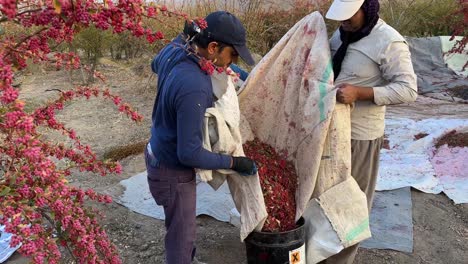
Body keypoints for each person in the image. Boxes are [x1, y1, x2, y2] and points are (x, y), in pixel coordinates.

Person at [147, 11, 258, 264]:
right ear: (213, 47)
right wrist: (233, 163)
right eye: (232, 56)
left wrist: (235, 72)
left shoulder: (177, 48)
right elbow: (189, 153)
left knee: (179, 226)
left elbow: (156, 64)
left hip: (157, 150)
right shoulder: (194, 86)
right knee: (181, 238)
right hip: (172, 171)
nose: (230, 64)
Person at [324, 0, 418, 263]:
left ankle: (340, 259)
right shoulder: (342, 34)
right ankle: (319, 251)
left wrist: (361, 93)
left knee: (353, 202)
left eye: (349, 16)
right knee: (325, 195)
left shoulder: (388, 41)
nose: (343, 21)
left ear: (367, 9)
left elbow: (408, 90)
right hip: (331, 131)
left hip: (360, 136)